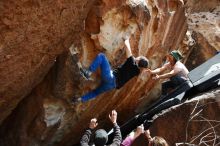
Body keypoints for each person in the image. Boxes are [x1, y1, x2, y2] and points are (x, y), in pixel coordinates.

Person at [73, 38, 149, 103]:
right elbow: (136, 64)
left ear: (138, 61)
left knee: (102, 56)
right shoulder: (137, 72)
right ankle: (80, 99)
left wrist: (127, 39)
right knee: (95, 92)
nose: (137, 57)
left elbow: (127, 45)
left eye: (138, 57)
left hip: (111, 77)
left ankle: (88, 72)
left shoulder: (132, 62)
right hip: (112, 86)